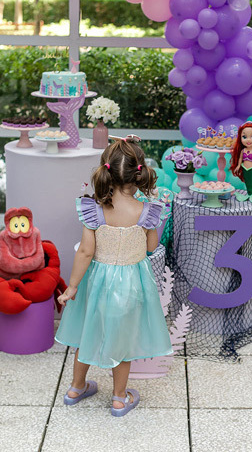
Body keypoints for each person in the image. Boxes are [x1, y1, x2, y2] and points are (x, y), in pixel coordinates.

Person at [55, 136, 171, 417]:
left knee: (86, 334)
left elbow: (85, 252)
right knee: (124, 342)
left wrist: (72, 287)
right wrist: (150, 224)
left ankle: (76, 387)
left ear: (106, 170)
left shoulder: (93, 209)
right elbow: (151, 247)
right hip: (131, 286)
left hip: (96, 285)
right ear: (139, 173)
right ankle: (119, 398)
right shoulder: (147, 210)